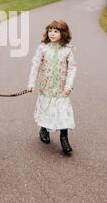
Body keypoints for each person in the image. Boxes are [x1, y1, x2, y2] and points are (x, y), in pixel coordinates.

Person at [27, 20, 77, 154]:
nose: (52, 34)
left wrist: (69, 85)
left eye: (56, 31)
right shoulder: (43, 48)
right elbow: (36, 65)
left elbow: (72, 69)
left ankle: (64, 138)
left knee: (62, 111)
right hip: (46, 87)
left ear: (63, 33)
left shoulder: (68, 50)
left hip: (62, 89)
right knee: (46, 108)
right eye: (50, 31)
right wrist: (31, 83)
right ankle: (43, 129)